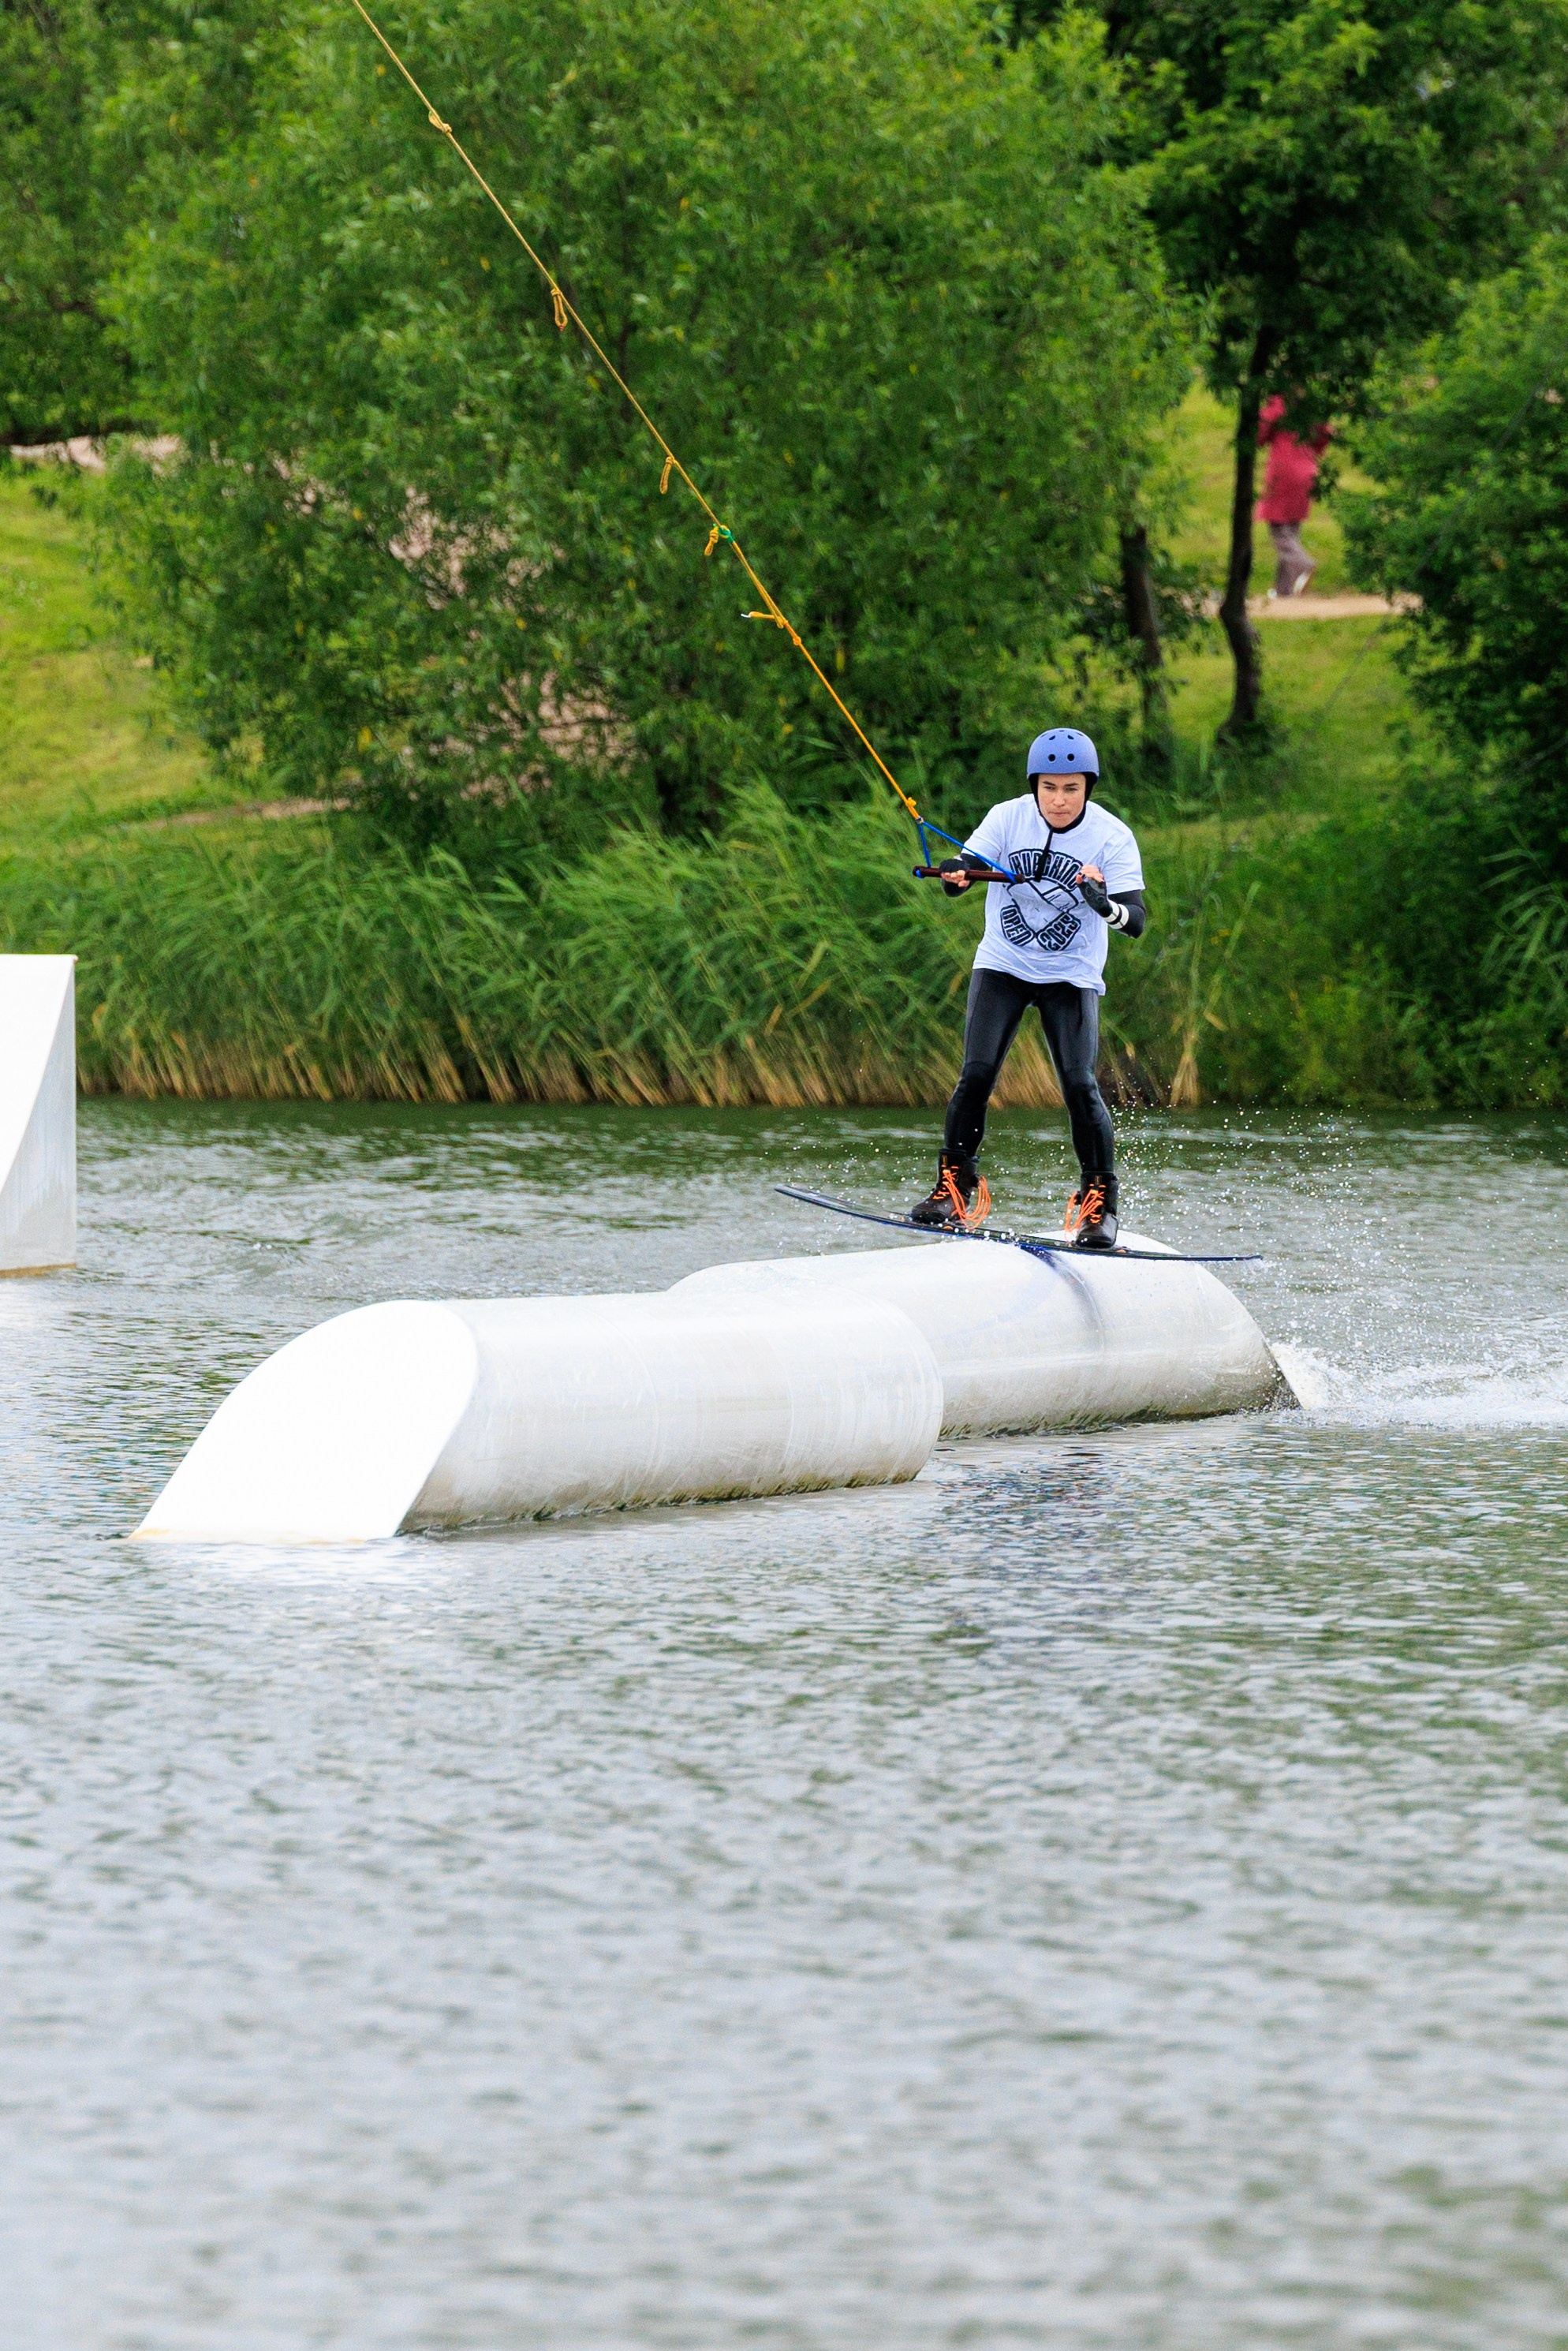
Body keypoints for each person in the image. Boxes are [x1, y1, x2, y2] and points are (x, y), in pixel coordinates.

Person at [910, 727, 1145, 1249]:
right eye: (1049, 788)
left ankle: (1099, 1206)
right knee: (975, 1074)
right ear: (1035, 786)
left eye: (1071, 789)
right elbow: (965, 868)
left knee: (1080, 1085)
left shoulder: (1111, 837)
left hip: (1071, 975)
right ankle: (954, 1188)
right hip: (1004, 965)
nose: (1059, 800)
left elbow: (1135, 922)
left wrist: (1100, 901)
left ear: (1088, 788)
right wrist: (957, 873)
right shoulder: (1006, 817)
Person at [1257, 394, 1332, 597]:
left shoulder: (1278, 404)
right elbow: (1324, 436)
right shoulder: (1311, 404)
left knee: (1279, 531)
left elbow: (1259, 436)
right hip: (1307, 470)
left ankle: (1303, 564)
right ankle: (1284, 590)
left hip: (1283, 470)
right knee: (1291, 529)